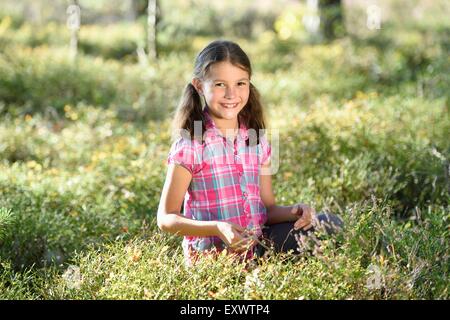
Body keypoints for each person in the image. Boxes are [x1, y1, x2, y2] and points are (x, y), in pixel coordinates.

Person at [157, 40, 343, 266]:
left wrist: (296, 211)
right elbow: (166, 218)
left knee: (330, 224)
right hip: (214, 259)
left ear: (249, 84)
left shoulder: (258, 139)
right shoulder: (191, 143)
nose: (231, 94)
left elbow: (269, 210)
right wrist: (217, 227)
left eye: (240, 83)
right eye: (219, 85)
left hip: (257, 247)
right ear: (199, 86)